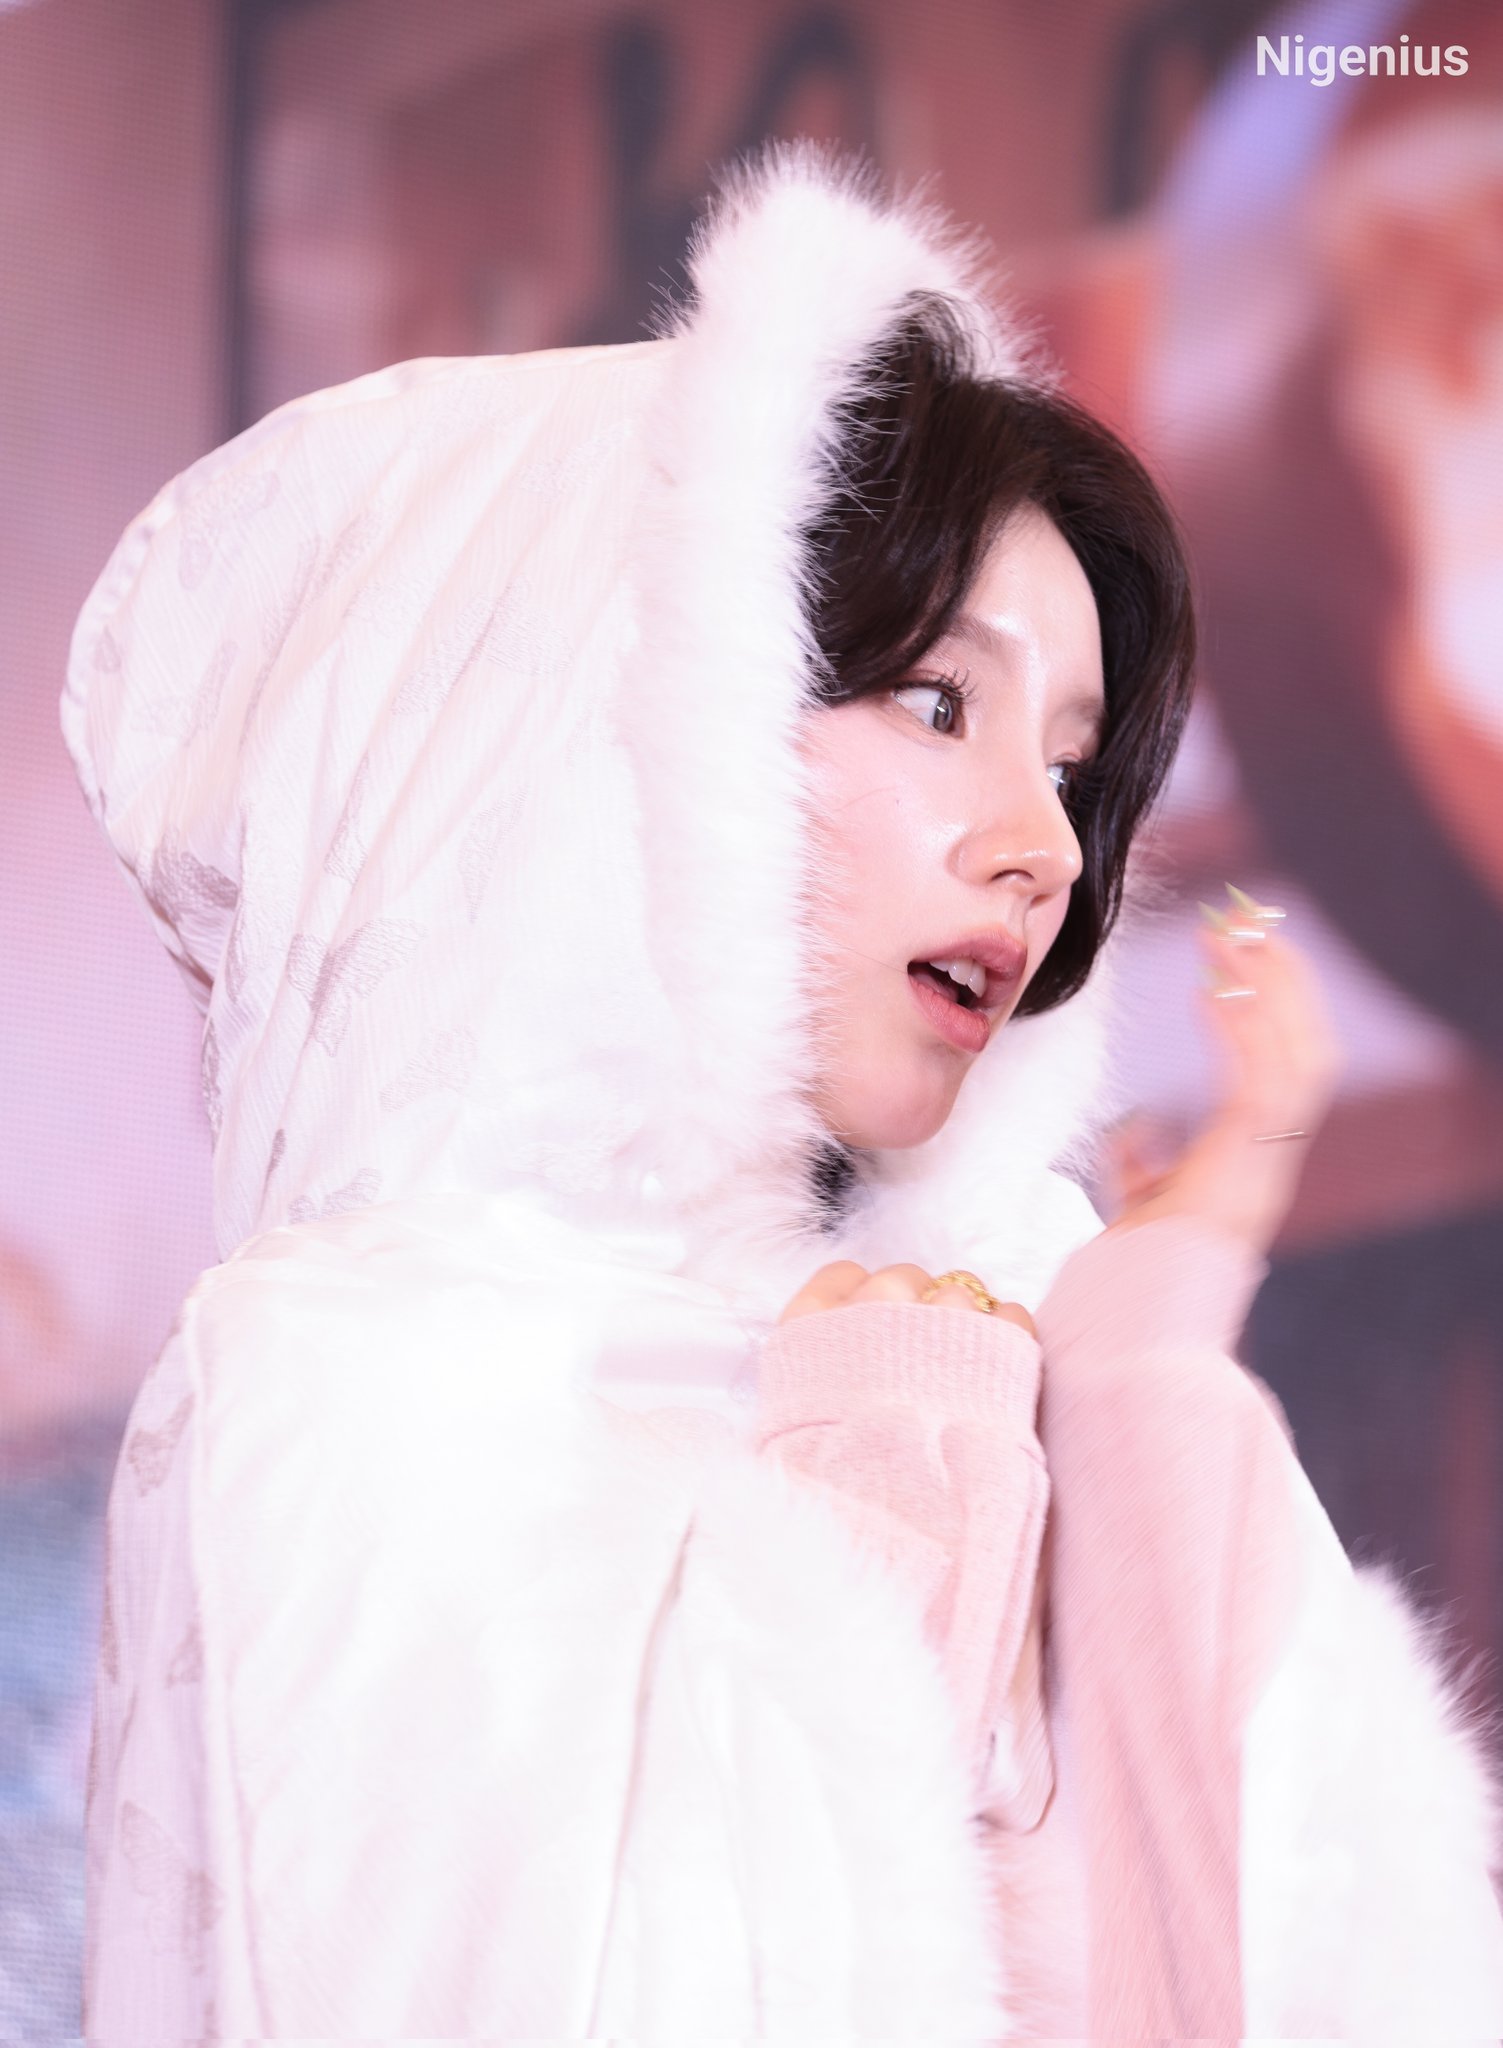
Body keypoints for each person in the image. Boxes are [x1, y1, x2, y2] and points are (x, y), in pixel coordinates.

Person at [62, 147, 1502, 2038]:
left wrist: (1123, 1375)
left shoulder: (1008, 1315)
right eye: (939, 702)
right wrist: (884, 1502)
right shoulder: (356, 1386)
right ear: (628, 730)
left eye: (1075, 769)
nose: (1048, 850)